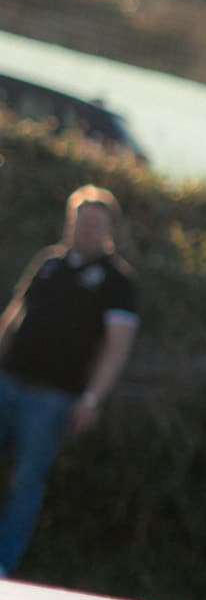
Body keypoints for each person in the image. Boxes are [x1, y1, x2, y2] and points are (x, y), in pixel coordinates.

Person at [0, 186, 139, 578]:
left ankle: (3, 563)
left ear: (110, 228)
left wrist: (92, 399)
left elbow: (117, 347)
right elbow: (15, 315)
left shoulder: (117, 281)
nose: (86, 229)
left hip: (53, 399)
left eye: (96, 222)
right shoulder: (49, 262)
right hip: (7, 380)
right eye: (81, 220)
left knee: (26, 482)